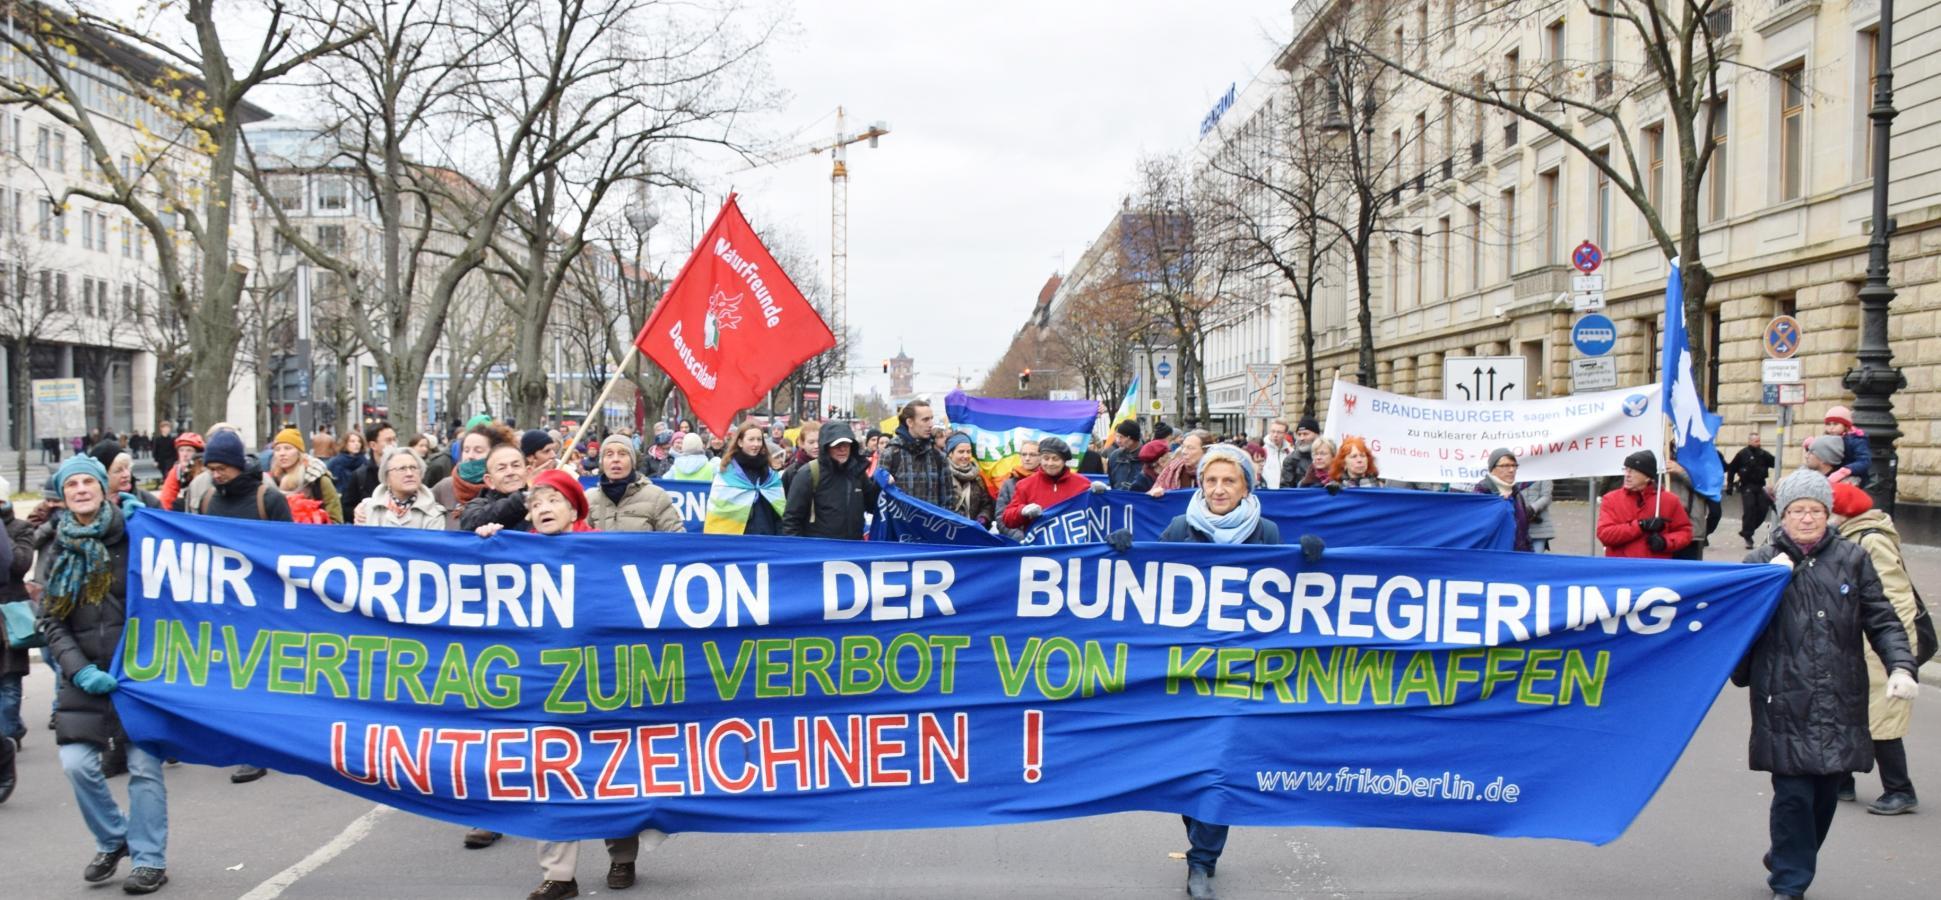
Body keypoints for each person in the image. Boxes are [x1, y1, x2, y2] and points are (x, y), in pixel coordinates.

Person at [1102, 444, 1321, 900]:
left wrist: (1310, 560)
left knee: (1219, 766)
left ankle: (1202, 861)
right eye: (1211, 481)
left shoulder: (1266, 531)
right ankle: (1198, 839)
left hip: (1241, 674)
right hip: (1185, 673)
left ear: (1246, 488)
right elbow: (1146, 585)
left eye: (1230, 481)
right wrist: (1124, 555)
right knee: (1188, 768)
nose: (1219, 489)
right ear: (1200, 484)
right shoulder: (1181, 528)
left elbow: (1291, 594)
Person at [1738, 470, 1916, 900]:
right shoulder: (1761, 563)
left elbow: (1882, 617)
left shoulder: (1853, 557)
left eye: (1814, 510)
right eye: (1797, 510)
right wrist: (1769, 585)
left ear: (1827, 513)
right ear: (1783, 515)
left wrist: (1901, 667)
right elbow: (1735, 628)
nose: (1805, 519)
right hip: (1782, 697)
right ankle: (1790, 881)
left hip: (1840, 694)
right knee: (1794, 794)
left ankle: (1786, 852)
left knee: (1825, 795)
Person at [34, 456, 169, 894]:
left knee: (144, 767)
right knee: (77, 765)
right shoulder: (56, 548)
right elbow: (51, 621)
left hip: (136, 677)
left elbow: (170, 592)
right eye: (70, 484)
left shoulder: (136, 533)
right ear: (63, 495)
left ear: (102, 487)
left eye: (86, 481)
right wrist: (80, 670)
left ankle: (149, 860)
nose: (80, 489)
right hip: (84, 678)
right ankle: (113, 840)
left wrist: (150, 520)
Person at [1828, 481, 1922, 816]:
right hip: (1856, 640)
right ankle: (1842, 780)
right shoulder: (1850, 536)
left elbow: (1896, 598)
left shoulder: (1871, 539)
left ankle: (1899, 789)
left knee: (1882, 720)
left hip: (1878, 645)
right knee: (1847, 711)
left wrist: (1886, 649)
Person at [781, 421, 877, 540]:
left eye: (846, 445)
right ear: (826, 446)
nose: (843, 449)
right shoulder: (808, 473)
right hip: (819, 551)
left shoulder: (857, 472)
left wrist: (880, 483)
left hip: (853, 549)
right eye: (837, 445)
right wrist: (798, 551)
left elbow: (873, 505)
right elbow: (791, 519)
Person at [0, 484, 34, 798]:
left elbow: (18, 564)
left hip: (9, 614)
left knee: (10, 683)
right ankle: (10, 733)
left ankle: (8, 735)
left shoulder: (21, 528)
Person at [1596, 451, 1691, 558]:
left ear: (1648, 477)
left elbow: (1685, 532)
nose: (1627, 475)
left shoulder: (1669, 500)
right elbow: (1605, 535)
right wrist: (1640, 525)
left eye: (1633, 471)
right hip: (1621, 568)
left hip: (1654, 569)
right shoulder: (1611, 499)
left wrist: (1665, 542)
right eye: (1626, 469)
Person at [585, 434, 685, 534]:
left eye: (622, 454)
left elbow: (678, 540)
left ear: (632, 461)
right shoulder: (590, 499)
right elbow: (579, 542)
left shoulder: (656, 497)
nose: (615, 459)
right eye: (609, 454)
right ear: (602, 462)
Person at [1001, 437, 1106, 532]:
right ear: (1040, 459)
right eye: (1046, 458)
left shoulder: (1083, 484)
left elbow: (1100, 515)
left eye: (1055, 459)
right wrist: (1022, 511)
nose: (1050, 463)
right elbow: (1007, 519)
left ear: (1064, 461)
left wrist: (1102, 496)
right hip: (1038, 547)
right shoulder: (1024, 485)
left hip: (1073, 546)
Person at [703, 422, 786, 536]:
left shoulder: (770, 473)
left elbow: (778, 511)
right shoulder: (727, 473)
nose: (756, 444)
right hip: (736, 541)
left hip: (767, 538)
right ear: (740, 442)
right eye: (751, 439)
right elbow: (718, 512)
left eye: (759, 439)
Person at [353, 447, 448, 529]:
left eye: (413, 468)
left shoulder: (434, 513)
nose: (409, 474)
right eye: (402, 469)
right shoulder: (367, 509)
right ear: (387, 477)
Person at [880, 401, 952, 507]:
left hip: (931, 522)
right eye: (925, 420)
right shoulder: (891, 454)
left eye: (931, 418)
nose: (931, 424)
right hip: (899, 522)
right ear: (910, 422)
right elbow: (880, 499)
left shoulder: (939, 457)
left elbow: (948, 503)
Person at [266, 427, 343, 524]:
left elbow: (336, 521)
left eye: (288, 448)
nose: (282, 453)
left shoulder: (318, 480)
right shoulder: (270, 482)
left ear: (299, 452)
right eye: (277, 449)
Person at [458, 441, 532, 534]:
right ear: (489, 480)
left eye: (516, 465)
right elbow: (471, 523)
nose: (510, 472)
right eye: (501, 468)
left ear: (528, 472)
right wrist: (522, 498)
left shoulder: (545, 498)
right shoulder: (478, 505)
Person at [434, 426, 501, 528]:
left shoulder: (501, 489)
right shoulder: (444, 487)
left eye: (478, 451)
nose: (470, 456)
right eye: (466, 450)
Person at [1473, 449, 1533, 551]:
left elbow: (1523, 531)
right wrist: (1499, 504)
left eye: (1514, 465)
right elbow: (1480, 528)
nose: (1511, 470)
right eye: (1505, 466)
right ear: (1492, 469)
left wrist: (1529, 552)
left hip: (1519, 556)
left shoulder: (1516, 493)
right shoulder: (1482, 492)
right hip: (1495, 557)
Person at [1728, 431, 1777, 549]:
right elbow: (1732, 469)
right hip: (1747, 486)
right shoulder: (1742, 454)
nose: (1758, 443)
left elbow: (1776, 462)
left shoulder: (1763, 454)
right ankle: (1748, 537)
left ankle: (1747, 530)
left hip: (1760, 486)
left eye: (1759, 441)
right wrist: (1729, 485)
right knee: (1749, 509)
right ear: (1749, 441)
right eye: (1755, 441)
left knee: (1763, 509)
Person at [340, 421, 395, 514]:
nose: (393, 444)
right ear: (373, 445)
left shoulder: (405, 471)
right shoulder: (360, 475)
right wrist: (360, 513)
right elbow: (346, 508)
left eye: (394, 439)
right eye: (388, 440)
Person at [943, 433, 995, 526]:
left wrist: (983, 518)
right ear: (950, 453)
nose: (966, 456)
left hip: (972, 532)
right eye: (961, 452)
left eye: (969, 451)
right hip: (946, 530)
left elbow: (986, 505)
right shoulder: (941, 475)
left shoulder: (978, 477)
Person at [1821, 405, 1872, 485]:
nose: (1831, 428)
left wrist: (1846, 470)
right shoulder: (1825, 439)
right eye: (1828, 424)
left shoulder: (1856, 440)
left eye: (1835, 424)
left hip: (1852, 478)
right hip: (1829, 477)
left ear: (1845, 425)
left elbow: (1864, 461)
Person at [1151, 430, 1211, 496]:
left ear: (1205, 451)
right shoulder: (1172, 468)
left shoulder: (1216, 471)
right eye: (1183, 447)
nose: (1184, 452)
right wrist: (1155, 494)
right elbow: (1151, 493)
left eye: (1190, 448)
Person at [1278, 416, 1319, 489]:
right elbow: (1285, 490)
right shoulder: (1290, 460)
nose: (1301, 438)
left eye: (1305, 434)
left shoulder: (1328, 456)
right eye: (1299, 434)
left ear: (1317, 435)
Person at [325, 429, 368, 498]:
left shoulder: (365, 462)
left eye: (359, 441)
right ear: (345, 444)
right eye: (352, 441)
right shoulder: (335, 462)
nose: (356, 444)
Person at [781, 421, 820, 492]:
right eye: (811, 442)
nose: (816, 446)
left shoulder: (832, 467)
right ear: (802, 443)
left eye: (819, 441)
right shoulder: (791, 472)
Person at [1105, 421, 1143, 490]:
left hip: (1139, 499)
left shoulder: (1147, 456)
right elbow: (1112, 482)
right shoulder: (1114, 456)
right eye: (1117, 436)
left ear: (1132, 438)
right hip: (1118, 498)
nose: (1118, 441)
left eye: (1121, 437)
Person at [1523, 477, 1555, 552]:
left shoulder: (1544, 474)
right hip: (1518, 526)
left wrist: (1532, 509)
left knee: (1536, 559)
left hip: (1539, 528)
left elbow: (1547, 497)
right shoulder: (1513, 472)